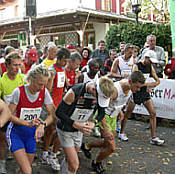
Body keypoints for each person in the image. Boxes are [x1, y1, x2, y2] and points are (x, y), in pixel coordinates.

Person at [81, 71, 146, 174]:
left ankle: (87, 146)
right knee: (111, 147)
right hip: (104, 116)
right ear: (130, 81)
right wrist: (105, 129)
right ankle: (96, 162)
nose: (138, 90)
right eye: (137, 87)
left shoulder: (129, 87)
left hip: (113, 116)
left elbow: (118, 102)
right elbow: (101, 108)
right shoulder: (115, 90)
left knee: (107, 142)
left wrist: (119, 111)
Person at [56, 77, 115, 174]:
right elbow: (59, 112)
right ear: (93, 89)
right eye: (98, 98)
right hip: (65, 129)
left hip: (80, 131)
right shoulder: (74, 92)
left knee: (69, 159)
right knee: (74, 164)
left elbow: (101, 113)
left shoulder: (100, 92)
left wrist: (94, 122)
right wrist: (75, 124)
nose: (97, 100)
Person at [6, 64, 57, 174]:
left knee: (24, 169)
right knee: (27, 171)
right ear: (31, 79)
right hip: (16, 133)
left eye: (44, 84)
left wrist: (42, 124)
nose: (42, 87)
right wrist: (27, 123)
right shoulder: (18, 92)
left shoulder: (44, 92)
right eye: (40, 84)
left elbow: (52, 115)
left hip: (31, 135)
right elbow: (8, 115)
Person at [119, 50, 165, 145]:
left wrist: (150, 86)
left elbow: (158, 81)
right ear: (146, 58)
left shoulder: (150, 67)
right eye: (150, 60)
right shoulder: (136, 66)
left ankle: (153, 137)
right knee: (128, 113)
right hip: (135, 92)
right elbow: (133, 80)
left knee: (153, 113)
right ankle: (121, 132)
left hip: (144, 93)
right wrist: (147, 84)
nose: (151, 63)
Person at [41, 48, 70, 171]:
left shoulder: (62, 69)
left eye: (67, 61)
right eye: (64, 60)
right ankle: (47, 153)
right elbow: (47, 91)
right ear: (58, 58)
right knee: (52, 129)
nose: (65, 63)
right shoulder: (52, 70)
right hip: (52, 105)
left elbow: (64, 84)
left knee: (54, 130)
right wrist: (51, 108)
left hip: (60, 103)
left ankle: (48, 151)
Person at [0, 51, 26, 174]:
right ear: (7, 66)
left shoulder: (23, 78)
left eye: (19, 65)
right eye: (15, 65)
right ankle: (2, 163)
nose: (18, 68)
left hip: (21, 116)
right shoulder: (1, 81)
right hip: (6, 117)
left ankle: (21, 165)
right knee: (2, 140)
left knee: (23, 139)